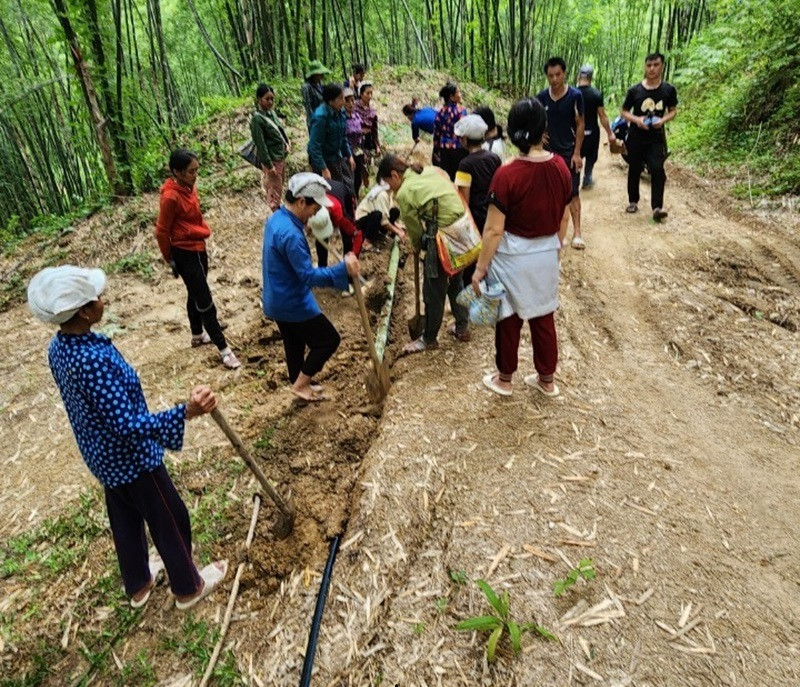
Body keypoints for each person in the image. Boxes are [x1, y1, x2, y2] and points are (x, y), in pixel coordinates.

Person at [27, 265, 229, 610]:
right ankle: (188, 586)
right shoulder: (92, 360)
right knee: (170, 518)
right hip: (131, 458)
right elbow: (127, 425)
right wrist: (186, 412)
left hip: (101, 456)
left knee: (124, 515)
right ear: (86, 311)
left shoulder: (60, 347)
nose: (104, 300)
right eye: (98, 298)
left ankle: (138, 583)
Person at [470, 98, 571, 398]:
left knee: (508, 317)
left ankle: (504, 379)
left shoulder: (507, 175)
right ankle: (547, 379)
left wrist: (480, 268)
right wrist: (556, 247)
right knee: (543, 316)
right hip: (545, 253)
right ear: (544, 130)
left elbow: (494, 229)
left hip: (512, 256)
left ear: (511, 132)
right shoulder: (560, 167)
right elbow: (563, 215)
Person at [262, 173, 361, 403]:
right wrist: (342, 269)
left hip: (275, 297)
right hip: (290, 300)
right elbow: (307, 276)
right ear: (301, 202)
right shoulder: (291, 235)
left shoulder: (276, 220)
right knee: (328, 340)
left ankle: (298, 384)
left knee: (294, 343)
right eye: (315, 207)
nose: (317, 212)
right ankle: (301, 385)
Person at [154, 149, 241, 369]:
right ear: (177, 172)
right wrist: (169, 258)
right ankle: (224, 350)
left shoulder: (189, 187)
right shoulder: (171, 197)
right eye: (191, 172)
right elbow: (161, 231)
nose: (196, 175)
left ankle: (197, 334)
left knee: (195, 292)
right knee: (205, 300)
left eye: (196, 170)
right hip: (184, 252)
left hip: (198, 246)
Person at [378, 155, 470, 353]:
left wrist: (419, 246)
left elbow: (415, 231)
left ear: (394, 175)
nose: (390, 189)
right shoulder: (428, 171)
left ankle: (428, 338)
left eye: (388, 183)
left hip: (444, 234)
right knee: (456, 282)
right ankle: (462, 327)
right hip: (463, 228)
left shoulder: (405, 192)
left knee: (433, 290)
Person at [621, 52, 678, 221]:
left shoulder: (668, 90)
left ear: (662, 67)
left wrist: (663, 120)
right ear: (645, 67)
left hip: (656, 136)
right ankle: (633, 201)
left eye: (656, 65)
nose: (652, 69)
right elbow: (624, 112)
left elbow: (673, 111)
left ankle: (657, 207)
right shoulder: (635, 90)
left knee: (657, 169)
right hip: (636, 135)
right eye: (649, 65)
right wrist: (637, 120)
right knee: (634, 168)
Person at [536, 57, 585, 250]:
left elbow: (581, 124)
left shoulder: (575, 96)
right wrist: (540, 136)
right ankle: (552, 231)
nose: (555, 79)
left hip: (568, 152)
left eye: (558, 74)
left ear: (564, 73)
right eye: (550, 75)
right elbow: (537, 120)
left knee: (572, 192)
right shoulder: (541, 97)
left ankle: (578, 232)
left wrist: (577, 153)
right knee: (548, 192)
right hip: (547, 153)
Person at [454, 114, 501, 285]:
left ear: (465, 139)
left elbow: (464, 199)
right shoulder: (494, 158)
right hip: (493, 214)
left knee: (473, 264)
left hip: (475, 219)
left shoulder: (465, 165)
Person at [308, 84, 356, 198]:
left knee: (348, 188)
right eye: (340, 99)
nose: (344, 101)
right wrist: (324, 169)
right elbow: (314, 146)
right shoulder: (321, 117)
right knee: (330, 194)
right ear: (331, 101)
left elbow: (343, 136)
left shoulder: (341, 112)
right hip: (325, 161)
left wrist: (349, 155)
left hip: (337, 157)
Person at [250, 84, 290, 212]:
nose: (270, 102)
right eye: (267, 99)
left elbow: (279, 130)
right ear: (259, 99)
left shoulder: (271, 113)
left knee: (279, 186)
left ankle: (279, 210)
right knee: (273, 190)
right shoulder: (257, 120)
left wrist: (287, 142)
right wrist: (268, 165)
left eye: (272, 99)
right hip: (272, 159)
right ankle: (276, 213)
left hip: (280, 156)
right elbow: (260, 144)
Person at [576, 65, 616, 189]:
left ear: (578, 76)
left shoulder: (572, 93)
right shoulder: (596, 94)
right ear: (591, 77)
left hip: (576, 133)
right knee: (591, 156)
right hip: (592, 132)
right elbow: (602, 116)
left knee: (576, 156)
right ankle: (587, 179)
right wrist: (610, 133)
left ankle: (574, 182)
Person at [356, 181, 406, 251]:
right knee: (377, 215)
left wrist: (397, 225)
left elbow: (387, 212)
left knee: (394, 211)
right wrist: (398, 232)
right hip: (362, 221)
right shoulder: (382, 194)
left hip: (372, 219)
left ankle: (380, 235)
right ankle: (366, 243)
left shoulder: (388, 192)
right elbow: (384, 221)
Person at [433, 82, 468, 180]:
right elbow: (465, 131)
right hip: (459, 148)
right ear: (452, 97)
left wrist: (436, 151)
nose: (460, 94)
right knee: (459, 177)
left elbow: (437, 134)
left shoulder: (439, 112)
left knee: (447, 178)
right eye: (458, 92)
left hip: (444, 149)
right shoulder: (461, 111)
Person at [355, 83, 381, 193]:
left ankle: (365, 187)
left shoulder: (372, 112)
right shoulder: (354, 108)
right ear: (361, 94)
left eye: (371, 93)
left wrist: (377, 145)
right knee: (359, 166)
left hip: (368, 141)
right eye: (367, 93)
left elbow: (375, 130)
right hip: (356, 141)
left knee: (368, 166)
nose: (370, 96)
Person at [343, 88, 366, 197]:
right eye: (347, 101)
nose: (351, 104)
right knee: (349, 179)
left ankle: (356, 198)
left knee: (358, 178)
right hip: (347, 153)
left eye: (352, 100)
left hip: (358, 150)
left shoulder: (356, 115)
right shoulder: (341, 118)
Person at [302, 60, 330, 131]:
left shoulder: (320, 85)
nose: (322, 75)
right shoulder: (307, 87)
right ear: (314, 74)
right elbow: (308, 106)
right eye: (320, 73)